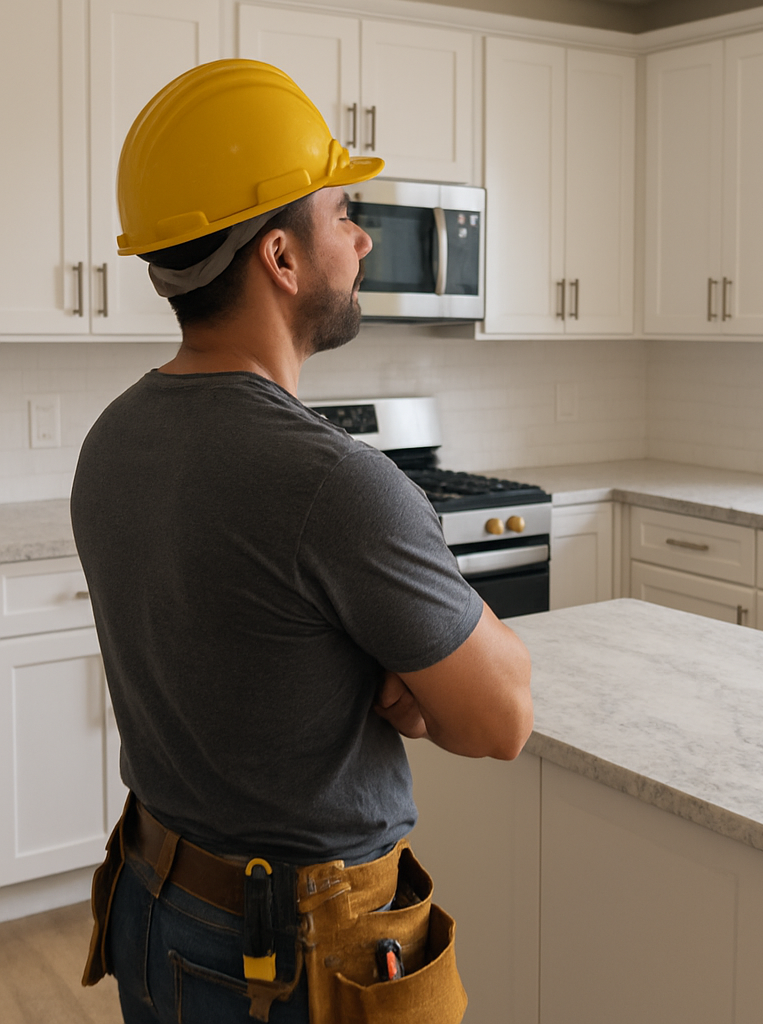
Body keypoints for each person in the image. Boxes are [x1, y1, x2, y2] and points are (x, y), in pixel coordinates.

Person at [70, 59, 532, 1024]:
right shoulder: (335, 485)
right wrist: (402, 654)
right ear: (280, 258)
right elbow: (499, 719)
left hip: (155, 911)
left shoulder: (114, 438)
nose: (362, 237)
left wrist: (383, 653)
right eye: (341, 214)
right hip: (291, 959)